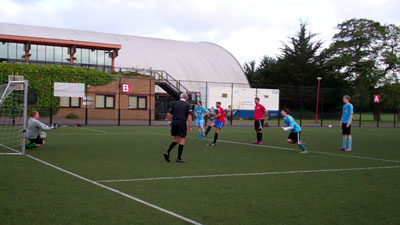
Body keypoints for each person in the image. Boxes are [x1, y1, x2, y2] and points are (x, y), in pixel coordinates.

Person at [163, 93, 193, 163]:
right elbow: (189, 116)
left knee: (176, 139)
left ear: (180, 97)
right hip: (182, 122)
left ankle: (167, 152)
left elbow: (169, 114)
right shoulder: (188, 105)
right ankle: (179, 158)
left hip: (174, 122)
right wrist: (190, 126)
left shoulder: (174, 103)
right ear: (186, 98)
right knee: (182, 140)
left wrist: (169, 123)